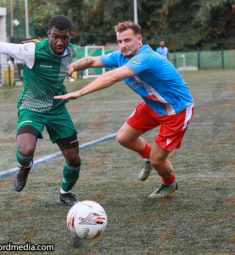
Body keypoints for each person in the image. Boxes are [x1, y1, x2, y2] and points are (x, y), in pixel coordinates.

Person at [55, 21, 194, 199]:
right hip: (153, 105)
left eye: (127, 40)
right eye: (120, 41)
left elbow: (112, 76)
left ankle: (169, 183)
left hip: (176, 111)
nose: (123, 45)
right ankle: (148, 158)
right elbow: (91, 61)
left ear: (139, 39)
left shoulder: (146, 57)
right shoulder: (121, 55)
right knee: (124, 138)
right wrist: (73, 66)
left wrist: (80, 92)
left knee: (158, 160)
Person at [0, 15, 81, 206]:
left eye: (64, 37)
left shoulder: (72, 52)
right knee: (26, 149)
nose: (60, 41)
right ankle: (25, 166)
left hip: (57, 107)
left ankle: (65, 192)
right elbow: (0, 46)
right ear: (49, 34)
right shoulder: (31, 51)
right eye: (55, 37)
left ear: (70, 36)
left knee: (74, 160)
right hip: (32, 106)